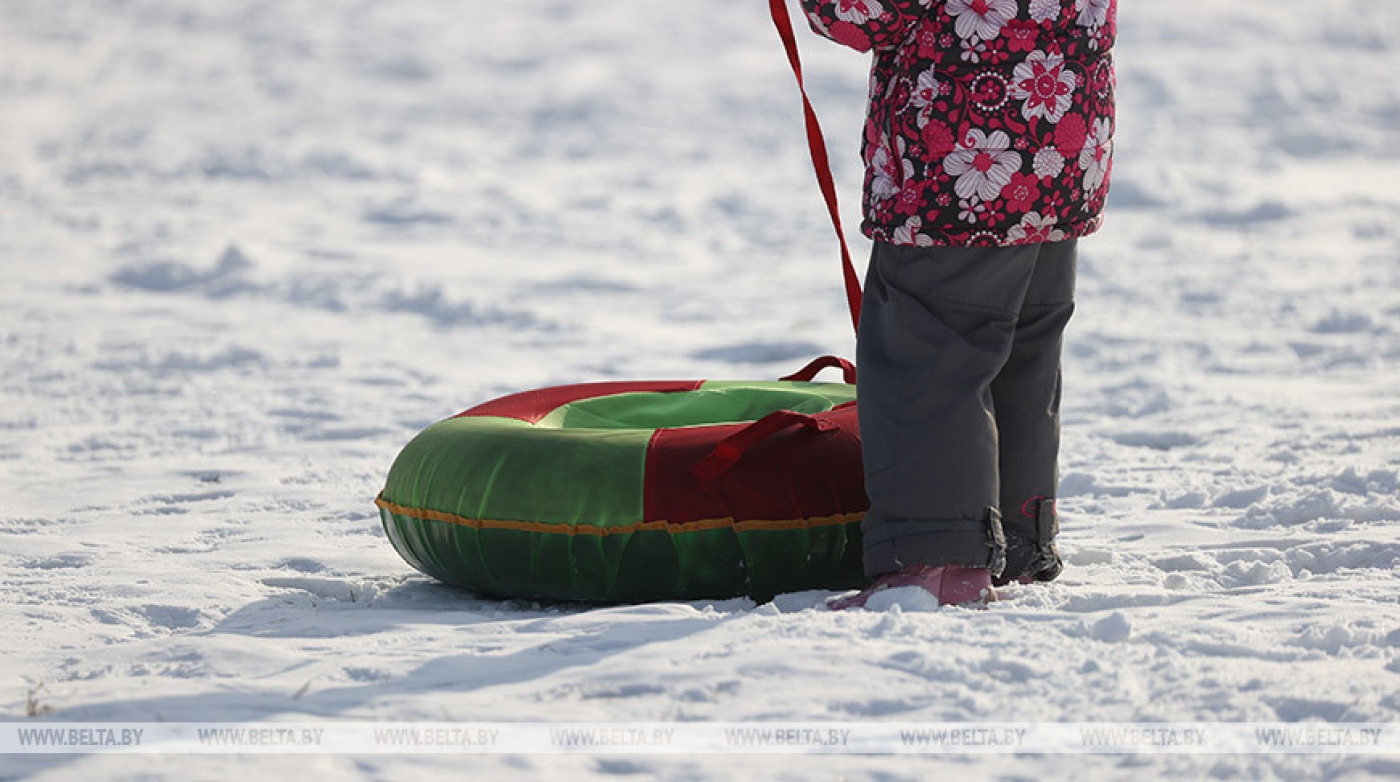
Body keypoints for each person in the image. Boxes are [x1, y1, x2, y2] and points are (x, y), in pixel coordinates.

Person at [798, 0, 1117, 607]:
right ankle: (1018, 541)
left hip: (965, 156)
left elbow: (859, 14)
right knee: (1022, 353)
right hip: (1060, 142)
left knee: (929, 350)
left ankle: (937, 561)